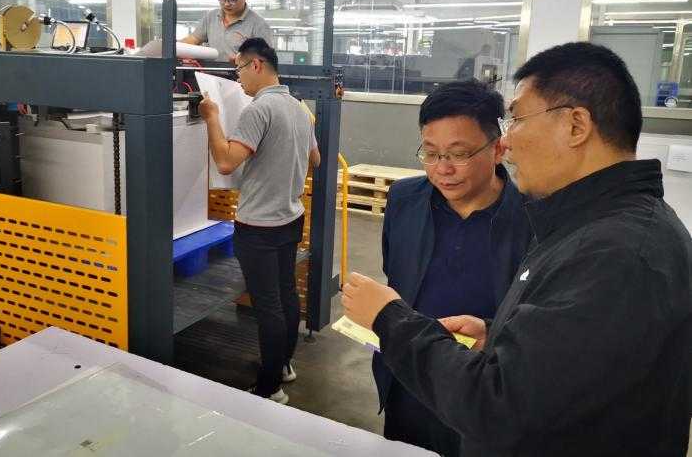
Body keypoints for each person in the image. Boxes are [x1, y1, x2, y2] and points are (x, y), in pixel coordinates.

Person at [342, 42, 692, 456]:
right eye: (432, 154)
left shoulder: (618, 253)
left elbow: (498, 405)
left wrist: (388, 317)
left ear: (576, 125)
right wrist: (496, 335)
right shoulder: (590, 227)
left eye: (517, 120)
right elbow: (569, 353)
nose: (508, 142)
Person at [375, 80, 531, 456]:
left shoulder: (533, 219)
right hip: (408, 379)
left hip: (485, 391)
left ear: (497, 149)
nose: (442, 169)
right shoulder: (403, 201)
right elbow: (396, 274)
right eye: (431, 153)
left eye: (458, 154)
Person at [199, 37, 320, 405]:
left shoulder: (259, 110)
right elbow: (315, 159)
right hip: (290, 218)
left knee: (268, 306)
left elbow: (225, 162)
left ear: (256, 65)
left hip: (259, 227)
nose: (237, 78)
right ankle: (283, 366)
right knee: (285, 295)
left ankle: (270, 389)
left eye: (238, 69)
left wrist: (212, 117)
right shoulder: (298, 108)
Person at [181, 0, 273, 63]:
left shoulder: (258, 25)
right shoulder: (211, 17)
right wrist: (175, 47)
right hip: (210, 71)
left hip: (239, 72)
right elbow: (193, 40)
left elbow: (267, 61)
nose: (226, 4)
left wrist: (243, 60)